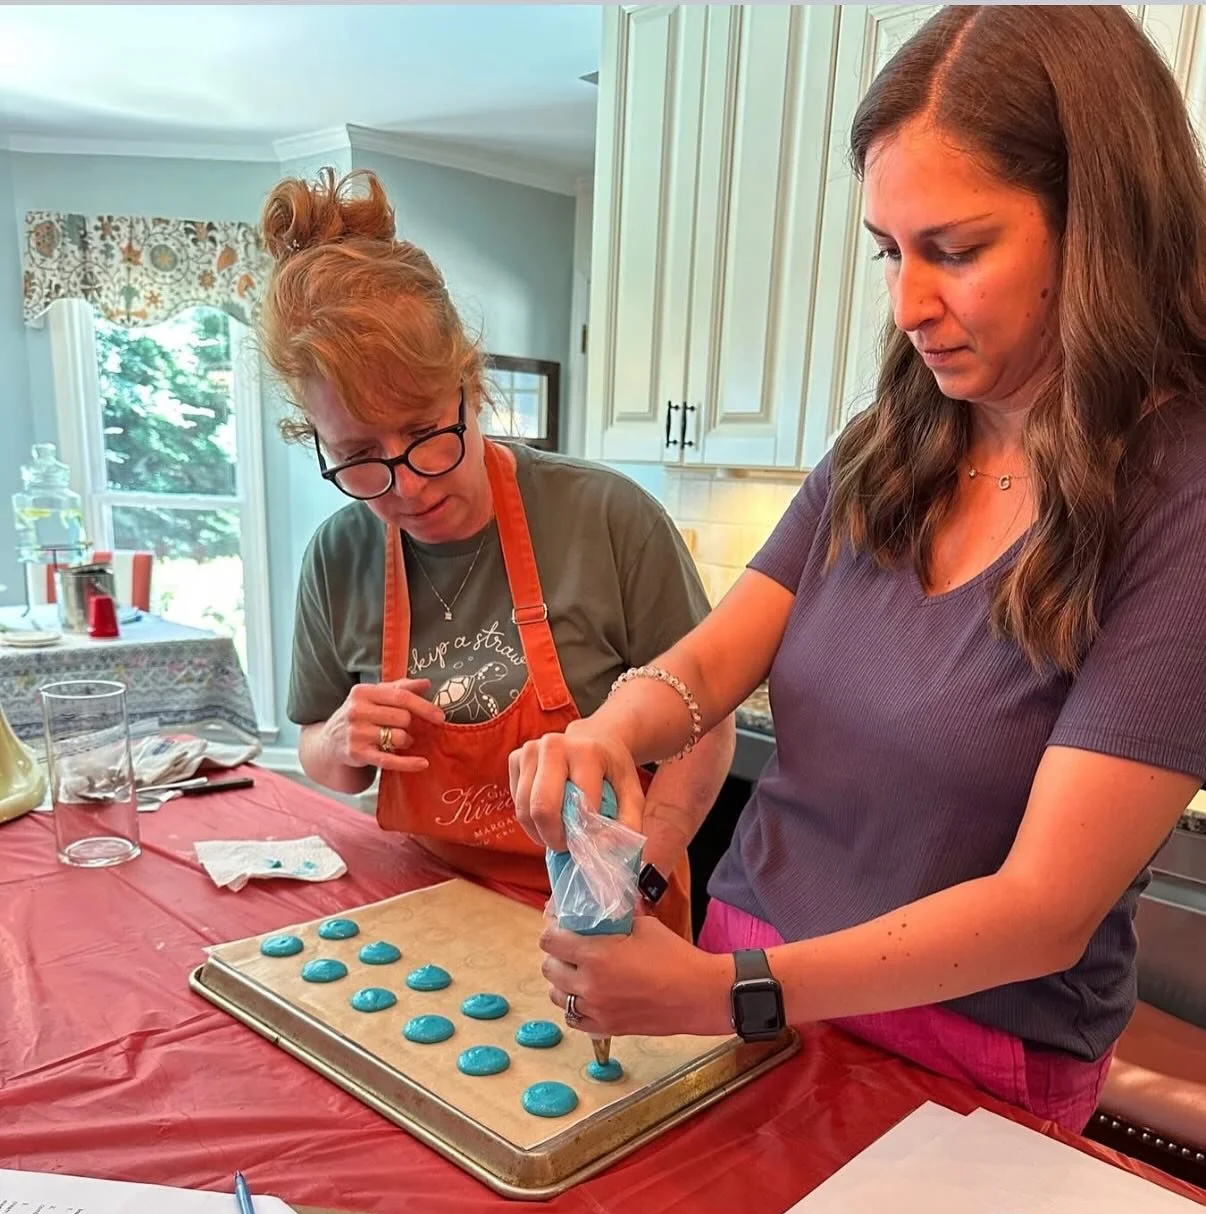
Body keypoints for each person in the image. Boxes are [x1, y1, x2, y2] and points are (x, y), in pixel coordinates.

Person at [510, 4, 1206, 1132]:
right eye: (890, 252)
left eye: (957, 250)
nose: (908, 306)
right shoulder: (892, 440)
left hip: (968, 1056)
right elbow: (713, 660)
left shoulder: (1181, 499)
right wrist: (615, 730)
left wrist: (731, 992)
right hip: (746, 974)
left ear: (1102, 229)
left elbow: (1044, 911)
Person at [258, 167, 733, 937]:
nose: (406, 486)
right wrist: (338, 736)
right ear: (314, 439)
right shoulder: (337, 556)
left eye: (422, 434)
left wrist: (633, 877)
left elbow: (705, 726)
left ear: (468, 385)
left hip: (603, 910)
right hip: (421, 908)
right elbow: (324, 755)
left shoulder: (606, 518)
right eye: (358, 456)